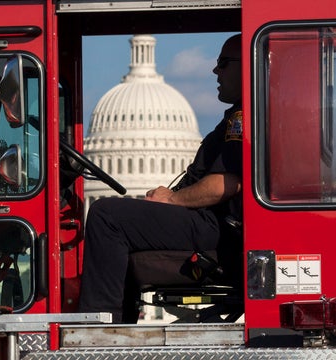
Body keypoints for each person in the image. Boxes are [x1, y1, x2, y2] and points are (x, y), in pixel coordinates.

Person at [78, 34, 243, 323]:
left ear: (248, 66)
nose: (215, 70)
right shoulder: (237, 115)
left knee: (107, 215)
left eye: (223, 63)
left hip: (215, 225)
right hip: (213, 222)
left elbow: (226, 183)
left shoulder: (243, 118)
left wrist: (173, 199)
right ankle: (119, 321)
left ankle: (99, 325)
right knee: (124, 226)